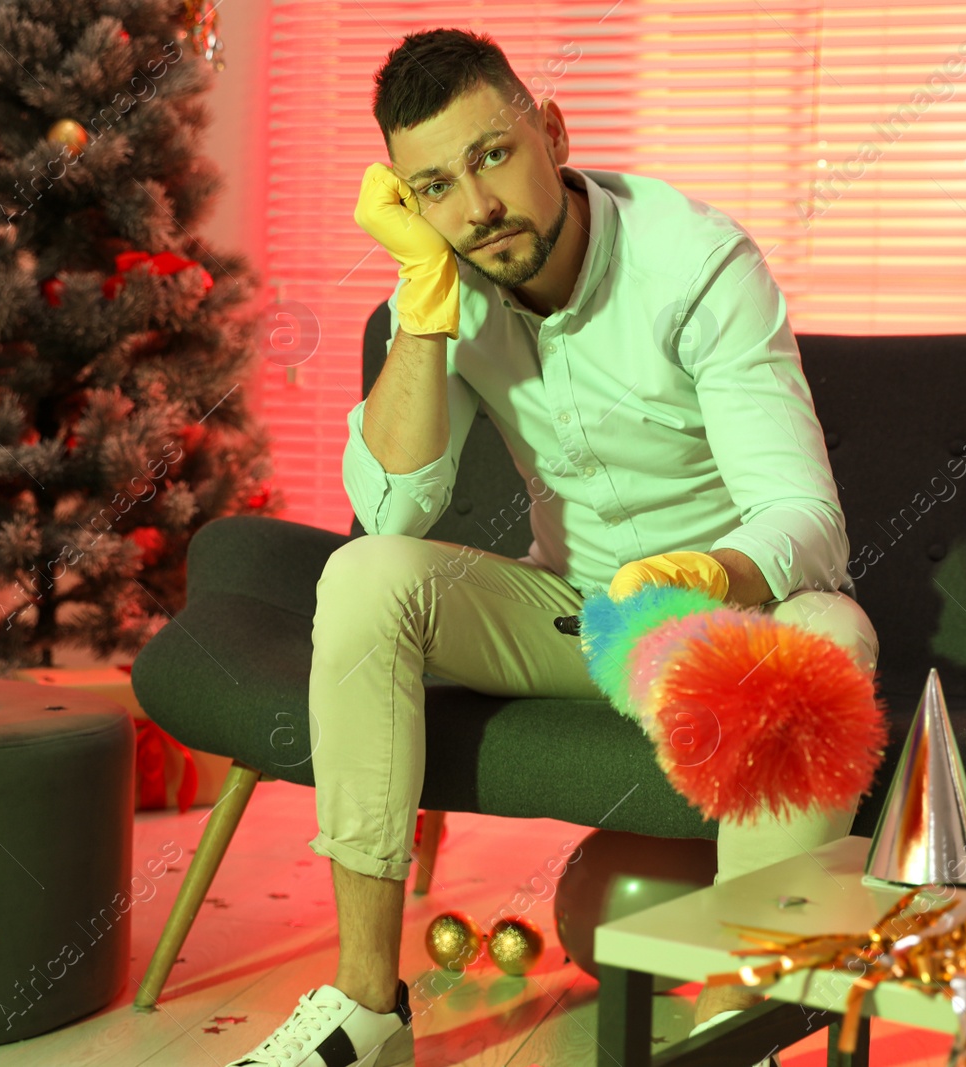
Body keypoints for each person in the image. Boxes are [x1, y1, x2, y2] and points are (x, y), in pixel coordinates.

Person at [224, 26, 878, 1067]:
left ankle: (744, 1026)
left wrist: (709, 571)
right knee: (364, 574)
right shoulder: (443, 286)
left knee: (831, 632)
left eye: (491, 156)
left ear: (552, 134)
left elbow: (805, 513)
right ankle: (364, 1006)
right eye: (433, 185)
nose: (475, 207)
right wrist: (423, 312)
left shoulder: (696, 260)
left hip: (720, 626)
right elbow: (390, 511)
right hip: (571, 613)